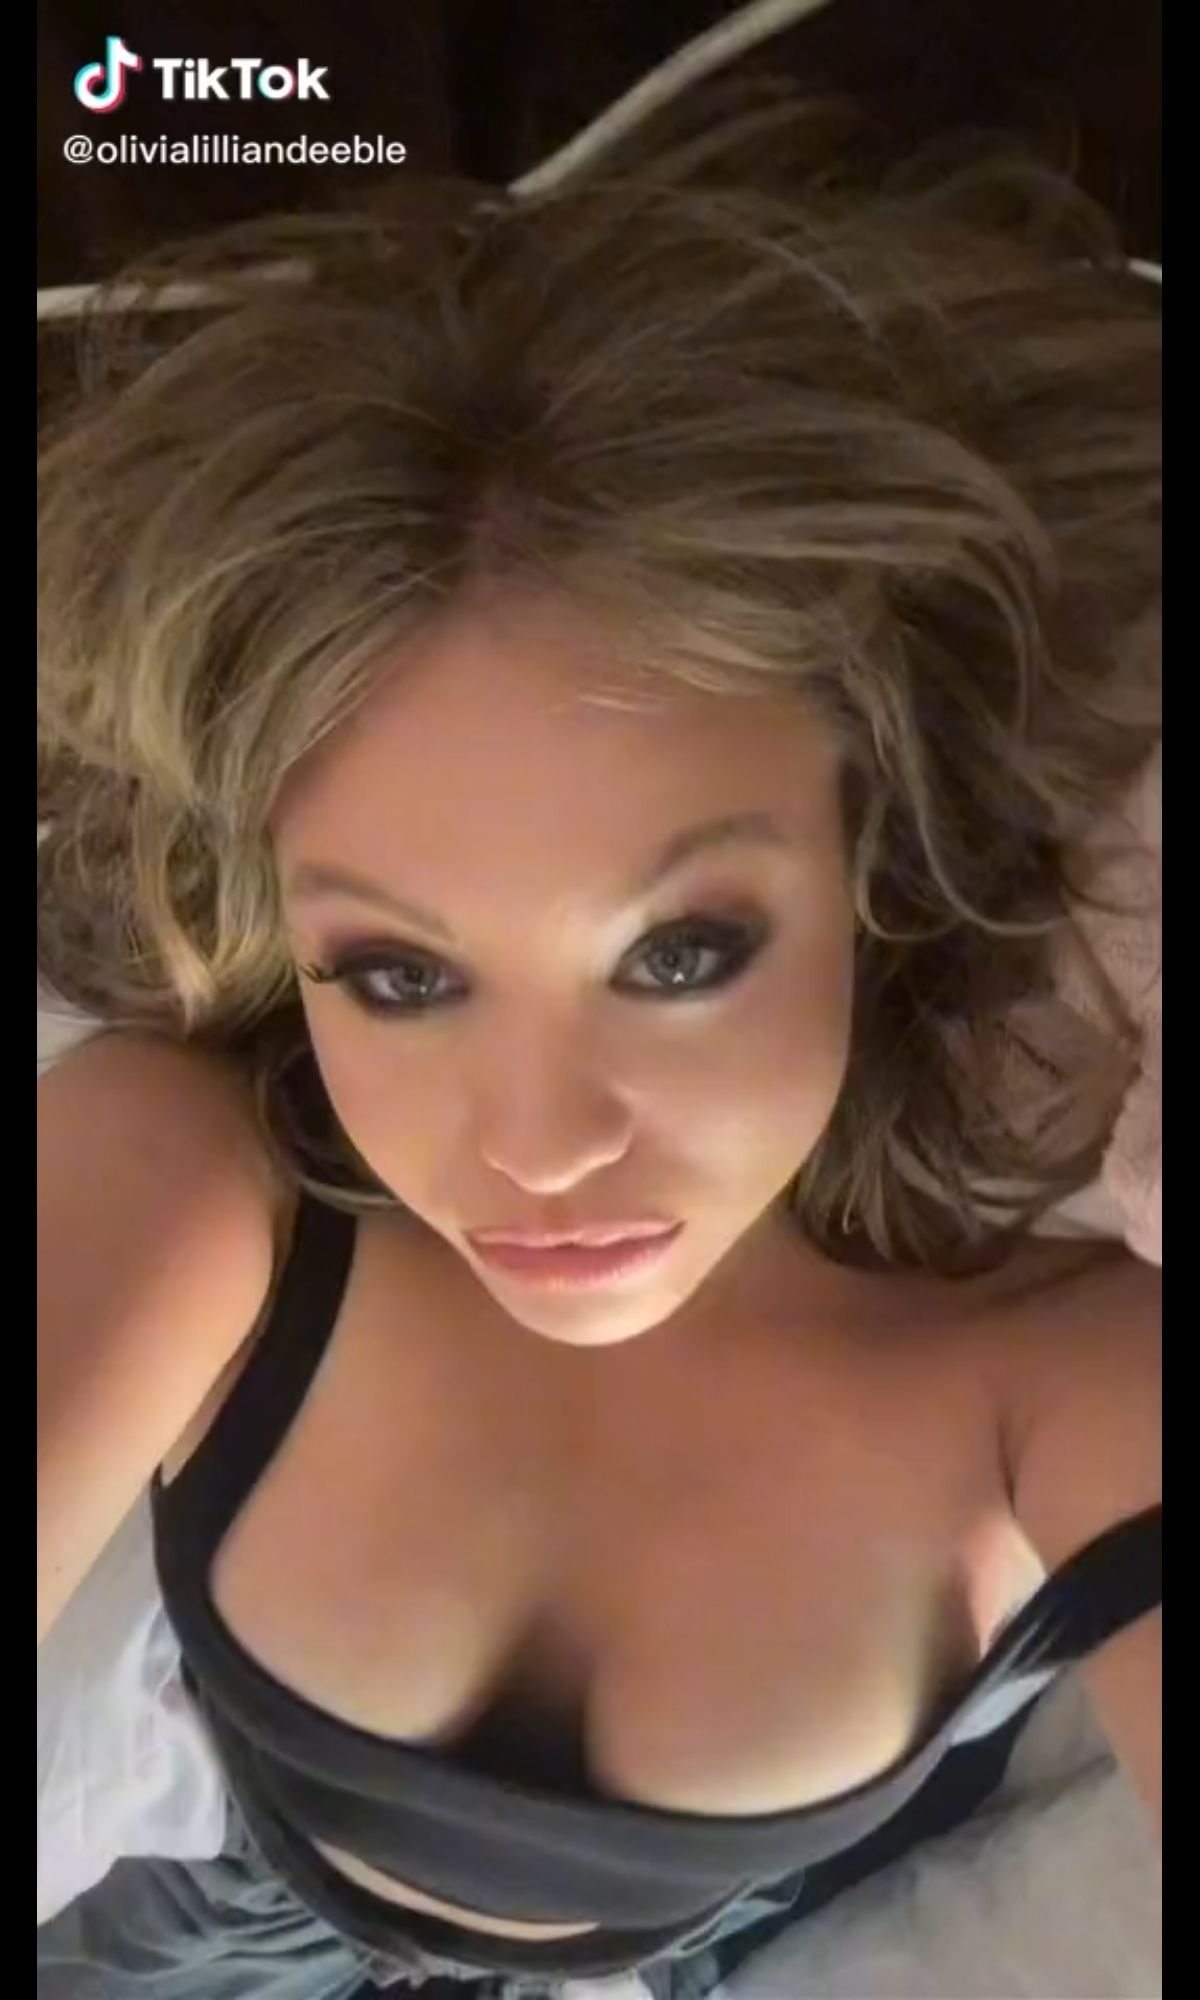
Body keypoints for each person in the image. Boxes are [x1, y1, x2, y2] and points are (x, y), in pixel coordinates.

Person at [37, 89, 1161, 2000]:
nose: (540, 1147)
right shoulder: (197, 1184)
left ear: (870, 857)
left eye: (680, 951)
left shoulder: (1064, 1377)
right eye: (399, 974)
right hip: (202, 1912)